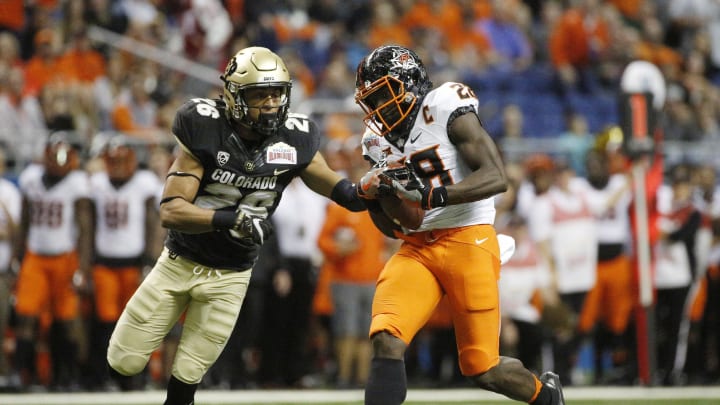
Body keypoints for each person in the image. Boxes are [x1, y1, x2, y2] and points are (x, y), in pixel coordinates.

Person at [106, 46, 367, 405]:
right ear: (234, 97)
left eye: (277, 93)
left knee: (189, 374)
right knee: (124, 360)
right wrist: (231, 218)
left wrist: (359, 192)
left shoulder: (294, 137)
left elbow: (329, 180)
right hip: (180, 261)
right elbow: (171, 211)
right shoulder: (205, 126)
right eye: (261, 95)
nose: (272, 104)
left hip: (232, 272)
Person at [353, 45, 565, 405]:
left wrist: (433, 197)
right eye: (371, 101)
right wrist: (376, 198)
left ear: (409, 85)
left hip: (469, 237)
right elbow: (399, 227)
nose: (379, 109)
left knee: (482, 367)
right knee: (386, 336)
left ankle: (544, 396)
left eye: (384, 96)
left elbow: (497, 177)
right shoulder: (376, 141)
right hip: (419, 247)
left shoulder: (444, 105)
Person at [14, 132, 93, 390]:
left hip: (65, 256)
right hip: (36, 256)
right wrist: (18, 255)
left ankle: (66, 377)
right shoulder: (31, 179)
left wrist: (82, 266)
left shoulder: (78, 183)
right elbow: (24, 221)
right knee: (26, 316)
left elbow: (84, 228)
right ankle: (24, 376)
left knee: (67, 320)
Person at [88, 136, 162, 390]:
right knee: (106, 324)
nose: (117, 166)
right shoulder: (96, 184)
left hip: (133, 263)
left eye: (122, 160)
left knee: (136, 323)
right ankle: (108, 376)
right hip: (105, 263)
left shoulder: (144, 183)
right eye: (113, 161)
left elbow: (154, 224)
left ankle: (135, 377)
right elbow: (89, 225)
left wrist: (150, 261)